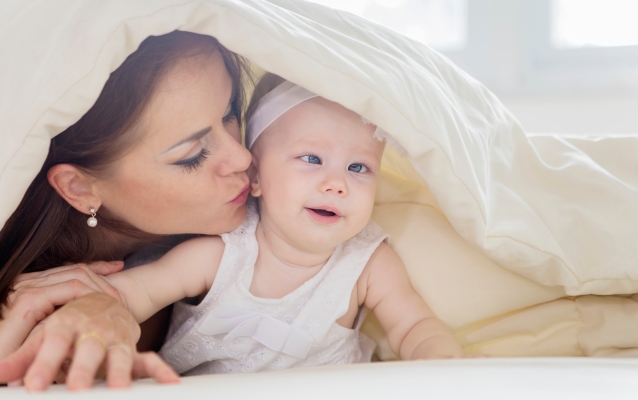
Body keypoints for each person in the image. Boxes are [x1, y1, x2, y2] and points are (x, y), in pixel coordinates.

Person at [46, 74, 462, 375]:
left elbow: (414, 327)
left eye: (359, 167)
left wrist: (444, 365)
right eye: (311, 159)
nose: (336, 183)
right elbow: (134, 291)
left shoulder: (369, 263)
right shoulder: (220, 253)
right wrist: (86, 315)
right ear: (256, 176)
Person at [0, 30, 253, 390]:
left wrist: (111, 305)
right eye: (192, 155)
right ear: (79, 188)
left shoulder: (267, 201)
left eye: (230, 112)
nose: (242, 157)